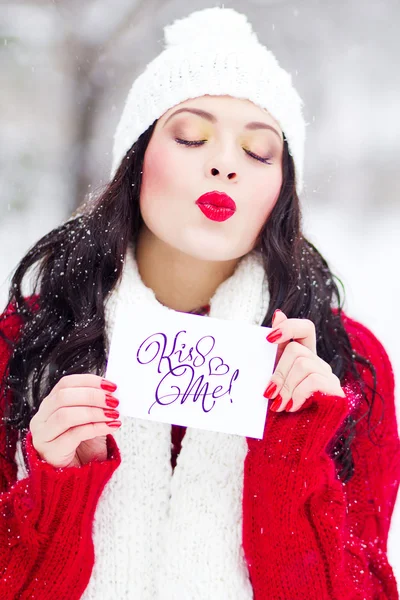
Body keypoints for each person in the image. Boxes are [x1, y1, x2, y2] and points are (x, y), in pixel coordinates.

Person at [0, 6, 399, 599]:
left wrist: (294, 460)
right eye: (191, 136)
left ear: (282, 192)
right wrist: (56, 488)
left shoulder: (345, 363)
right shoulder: (24, 342)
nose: (224, 164)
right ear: (135, 162)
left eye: (260, 152)